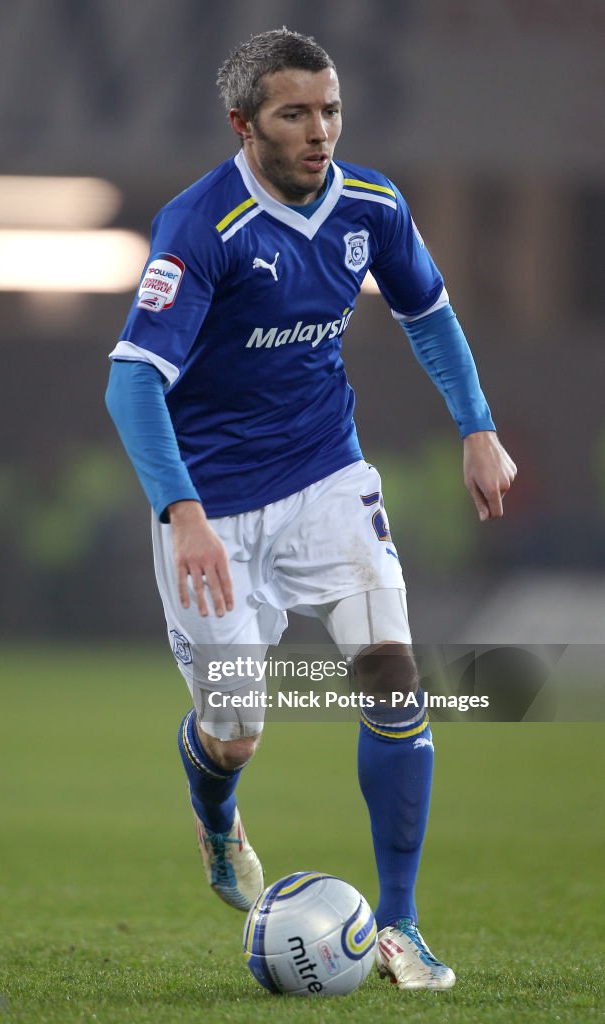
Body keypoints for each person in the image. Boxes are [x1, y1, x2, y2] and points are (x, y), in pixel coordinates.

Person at [105, 28, 516, 991]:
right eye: (294, 113)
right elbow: (132, 383)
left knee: (392, 680)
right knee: (236, 730)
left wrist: (477, 425)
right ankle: (216, 822)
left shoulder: (371, 206)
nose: (319, 131)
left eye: (329, 110)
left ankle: (401, 927)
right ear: (244, 124)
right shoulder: (199, 227)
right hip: (212, 512)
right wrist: (182, 512)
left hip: (327, 480)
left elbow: (428, 310)